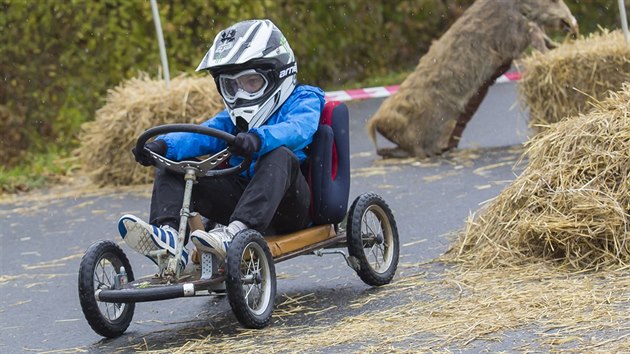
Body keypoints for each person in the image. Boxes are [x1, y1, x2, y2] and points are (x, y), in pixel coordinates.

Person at [117, 19, 325, 270]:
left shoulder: (304, 98)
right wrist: (163, 146)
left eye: (251, 82)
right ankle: (169, 238)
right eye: (230, 85)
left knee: (279, 155)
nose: (239, 94)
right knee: (175, 165)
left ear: (278, 74)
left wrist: (259, 138)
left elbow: (298, 130)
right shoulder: (233, 119)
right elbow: (205, 134)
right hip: (240, 201)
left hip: (289, 208)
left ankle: (234, 233)